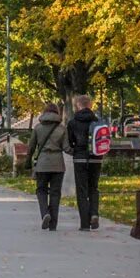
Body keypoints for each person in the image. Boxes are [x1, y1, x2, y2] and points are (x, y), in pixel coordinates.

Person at [26, 101, 68, 230]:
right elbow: (66, 147)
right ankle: (53, 225)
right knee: (55, 193)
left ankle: (45, 213)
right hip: (58, 164)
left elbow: (31, 146)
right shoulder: (62, 129)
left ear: (44, 112)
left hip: (42, 163)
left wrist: (28, 161)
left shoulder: (38, 128)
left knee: (41, 190)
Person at [66, 94, 103, 230]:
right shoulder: (98, 121)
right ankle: (94, 213)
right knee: (93, 187)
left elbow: (70, 142)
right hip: (96, 158)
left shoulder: (73, 122)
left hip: (80, 158)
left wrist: (76, 149)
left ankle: (84, 224)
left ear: (78, 105)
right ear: (90, 105)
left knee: (81, 190)